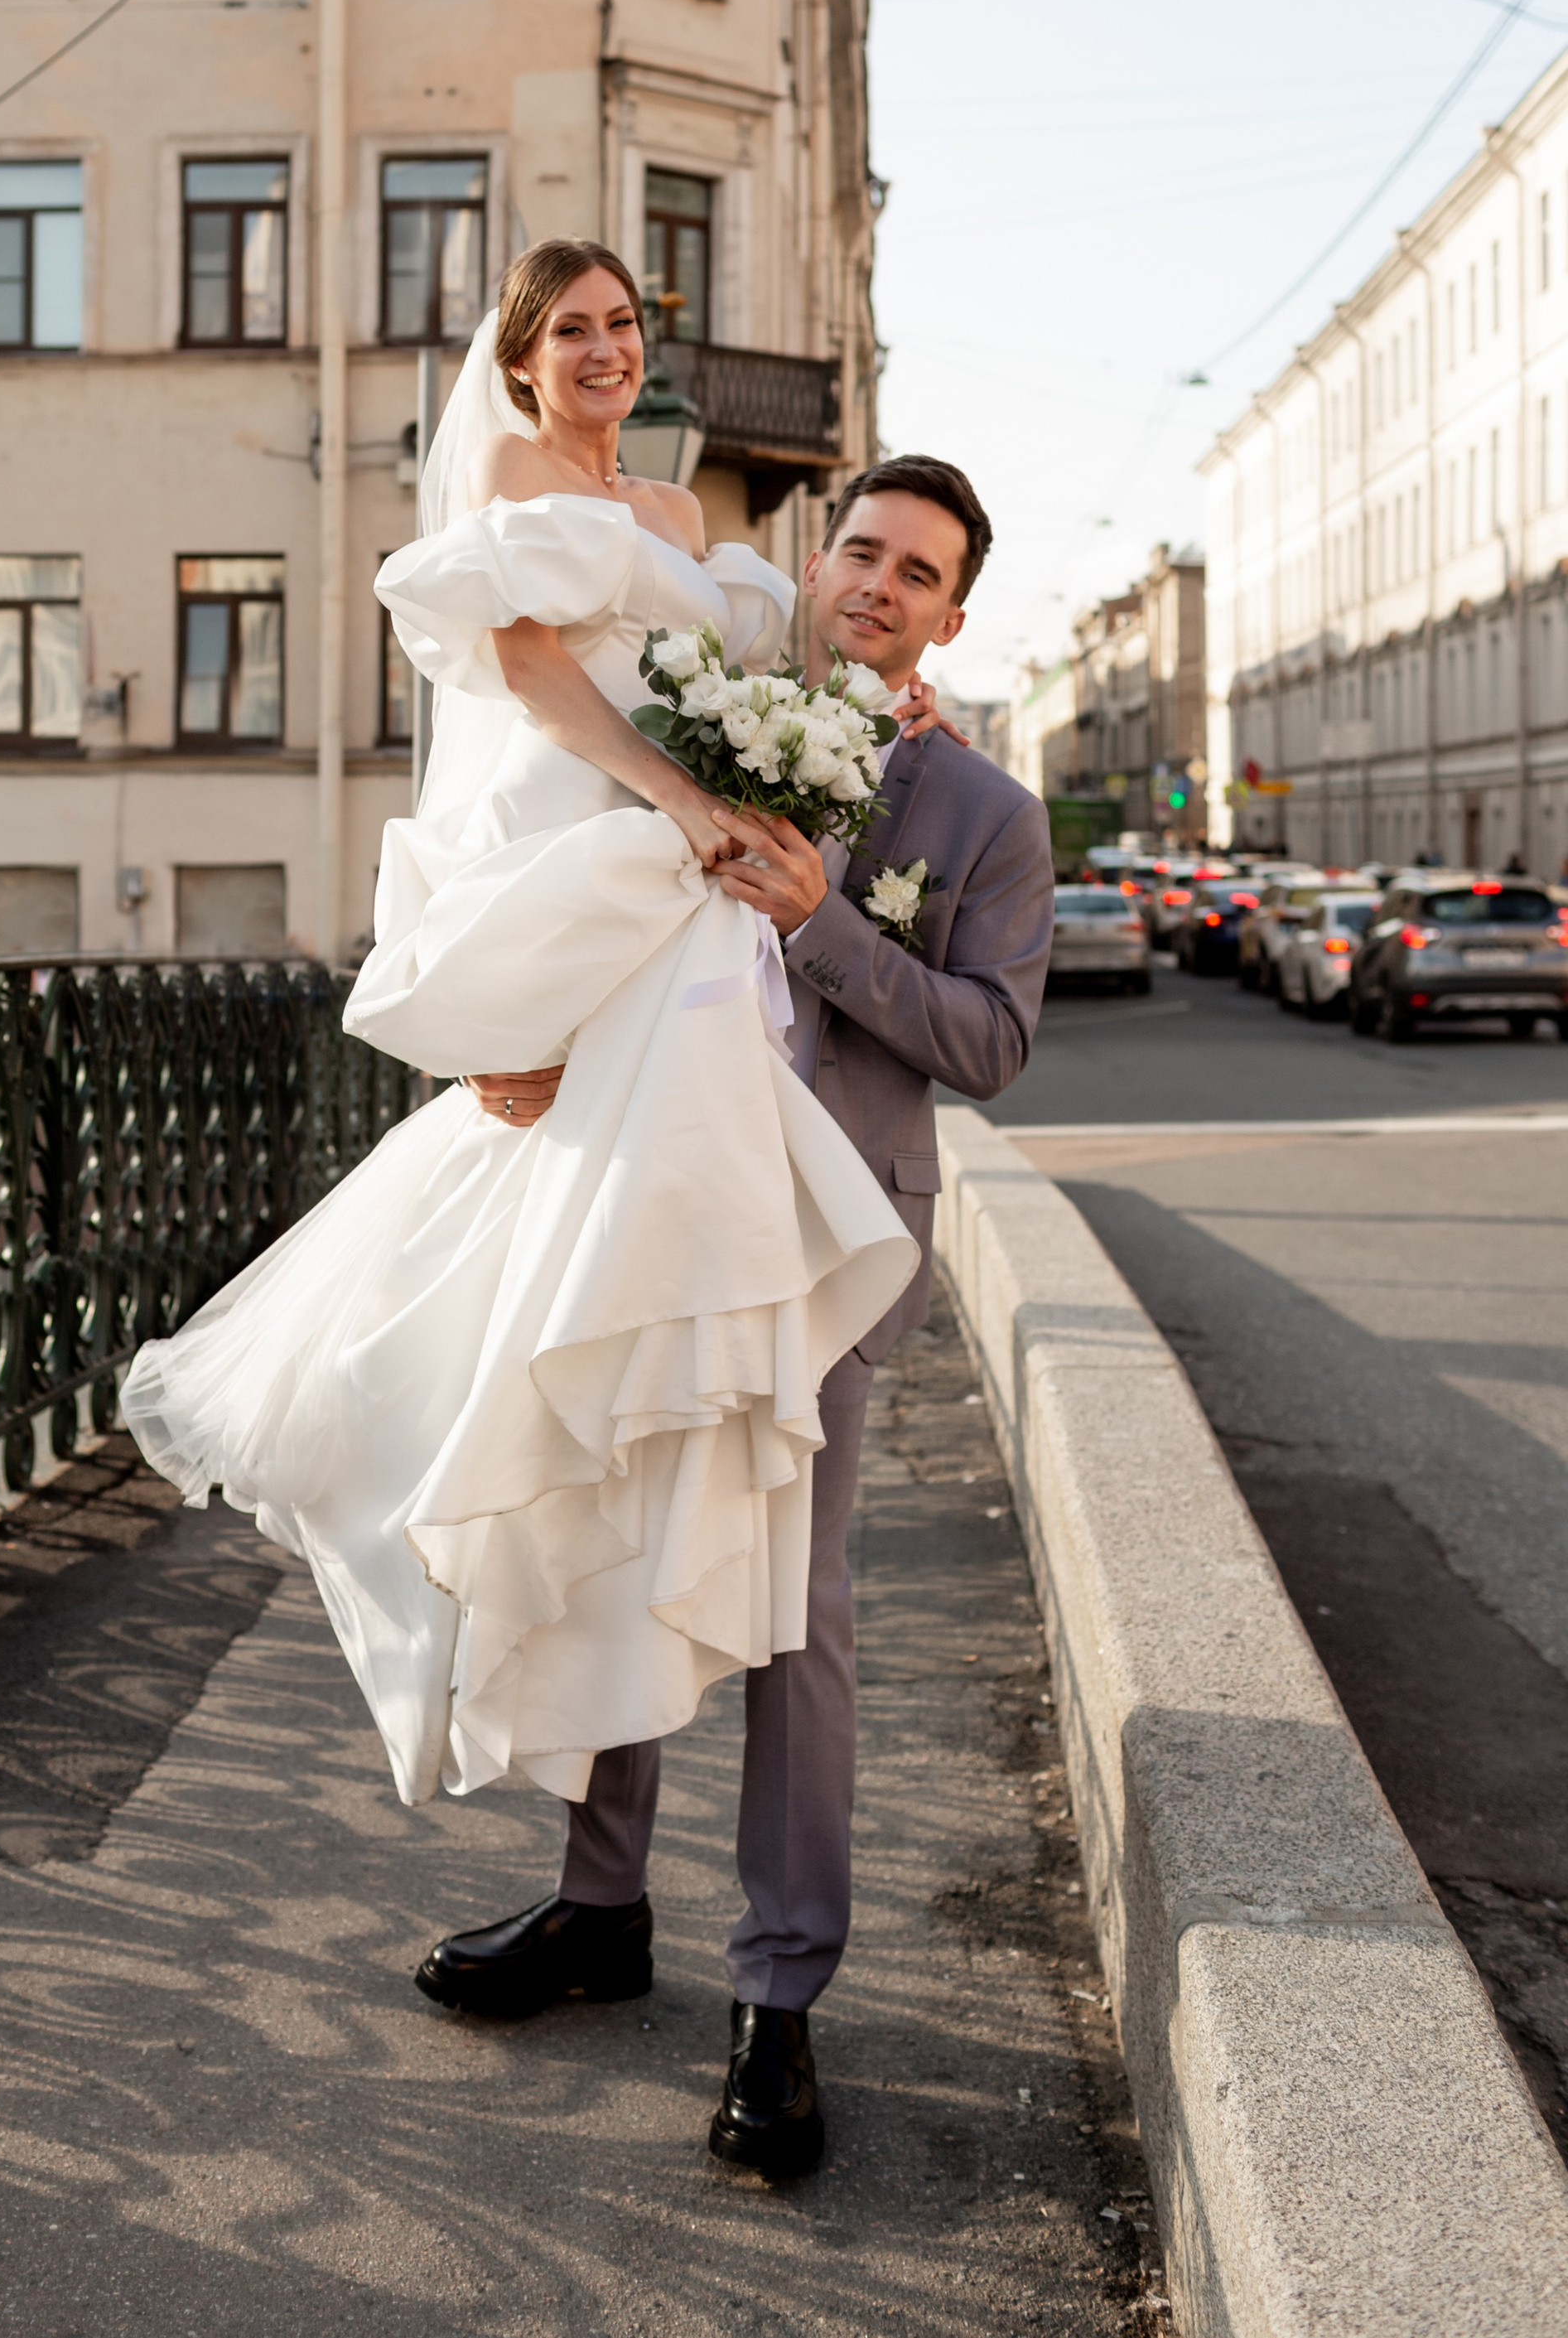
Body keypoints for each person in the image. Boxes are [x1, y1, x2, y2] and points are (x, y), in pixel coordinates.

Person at [121, 239, 927, 2129]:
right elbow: (528, 670)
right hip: (606, 865)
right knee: (584, 1377)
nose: (605, 348)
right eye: (570, 329)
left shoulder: (678, 509)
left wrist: (875, 728)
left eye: (625, 324)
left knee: (678, 1427)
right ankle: (597, 1901)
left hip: (682, 932)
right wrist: (678, 799)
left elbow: (765, 675)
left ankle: (750, 1974)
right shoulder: (504, 479)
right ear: (519, 358)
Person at [413, 452, 1053, 2179]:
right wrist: (514, 1045)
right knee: (628, 1539)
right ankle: (598, 1907)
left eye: (918, 573)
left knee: (792, 1613)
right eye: (862, 550)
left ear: (948, 618)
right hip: (656, 1200)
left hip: (826, 1244)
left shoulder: (984, 812)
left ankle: (779, 1993)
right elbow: (580, 879)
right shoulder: (703, 711)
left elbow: (990, 1042)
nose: (878, 585)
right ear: (818, 563)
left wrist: (826, 923)